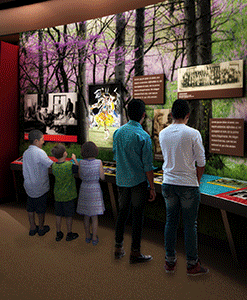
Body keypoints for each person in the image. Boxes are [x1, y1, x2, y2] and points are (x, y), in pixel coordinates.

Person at [158, 99, 208, 275]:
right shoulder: (193, 133)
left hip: (168, 183)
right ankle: (192, 264)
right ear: (187, 115)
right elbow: (201, 163)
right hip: (188, 185)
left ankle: (169, 262)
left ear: (171, 114)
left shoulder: (163, 133)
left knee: (170, 222)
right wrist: (197, 179)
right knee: (189, 225)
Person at [112, 98, 155, 263]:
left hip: (122, 181)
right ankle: (135, 252)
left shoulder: (118, 132)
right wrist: (152, 187)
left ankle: (118, 247)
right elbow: (148, 166)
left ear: (127, 114)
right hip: (138, 183)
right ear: (143, 115)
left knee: (122, 214)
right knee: (137, 216)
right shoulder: (143, 136)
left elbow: (116, 156)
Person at [22, 129, 52, 237]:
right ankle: (41, 228)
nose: (43, 142)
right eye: (42, 139)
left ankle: (32, 227)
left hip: (29, 186)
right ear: (36, 141)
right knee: (40, 209)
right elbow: (50, 164)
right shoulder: (40, 152)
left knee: (30, 208)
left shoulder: (25, 153)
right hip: (40, 187)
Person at [76, 141, 105, 245]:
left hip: (84, 189)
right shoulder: (99, 162)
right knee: (94, 216)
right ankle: (94, 238)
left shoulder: (81, 163)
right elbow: (102, 177)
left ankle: (87, 236)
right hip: (95, 190)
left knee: (86, 215)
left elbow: (80, 176)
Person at [50, 143, 79, 242]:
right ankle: (69, 234)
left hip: (58, 195)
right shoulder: (69, 165)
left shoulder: (54, 165)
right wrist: (75, 159)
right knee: (68, 215)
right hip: (68, 195)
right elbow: (77, 169)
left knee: (58, 215)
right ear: (65, 154)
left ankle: (58, 233)